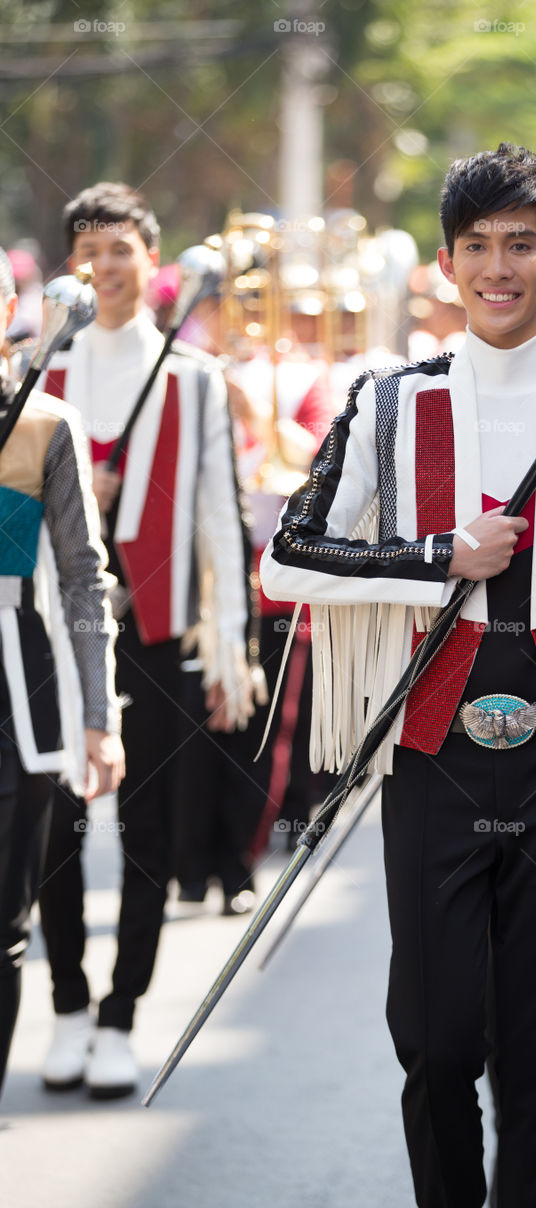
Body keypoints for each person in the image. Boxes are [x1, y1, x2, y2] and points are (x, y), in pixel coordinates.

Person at [261, 144, 536, 1206]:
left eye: (523, 246)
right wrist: (435, 555)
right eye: (478, 247)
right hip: (433, 749)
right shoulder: (389, 401)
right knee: (439, 1043)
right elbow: (287, 554)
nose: (500, 268)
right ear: (448, 265)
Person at [36, 184, 253, 1099]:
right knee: (53, 828)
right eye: (89, 249)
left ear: (150, 262)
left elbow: (217, 517)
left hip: (157, 638)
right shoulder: (38, 372)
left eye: (121, 249)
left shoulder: (193, 379)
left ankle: (124, 1014)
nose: (106, 265)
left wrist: (232, 644)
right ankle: (69, 1006)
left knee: (147, 835)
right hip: (54, 638)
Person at [0, 248, 124, 1100]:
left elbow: (83, 577)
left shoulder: (46, 424)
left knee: (5, 928)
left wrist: (98, 713)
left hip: (17, 686)